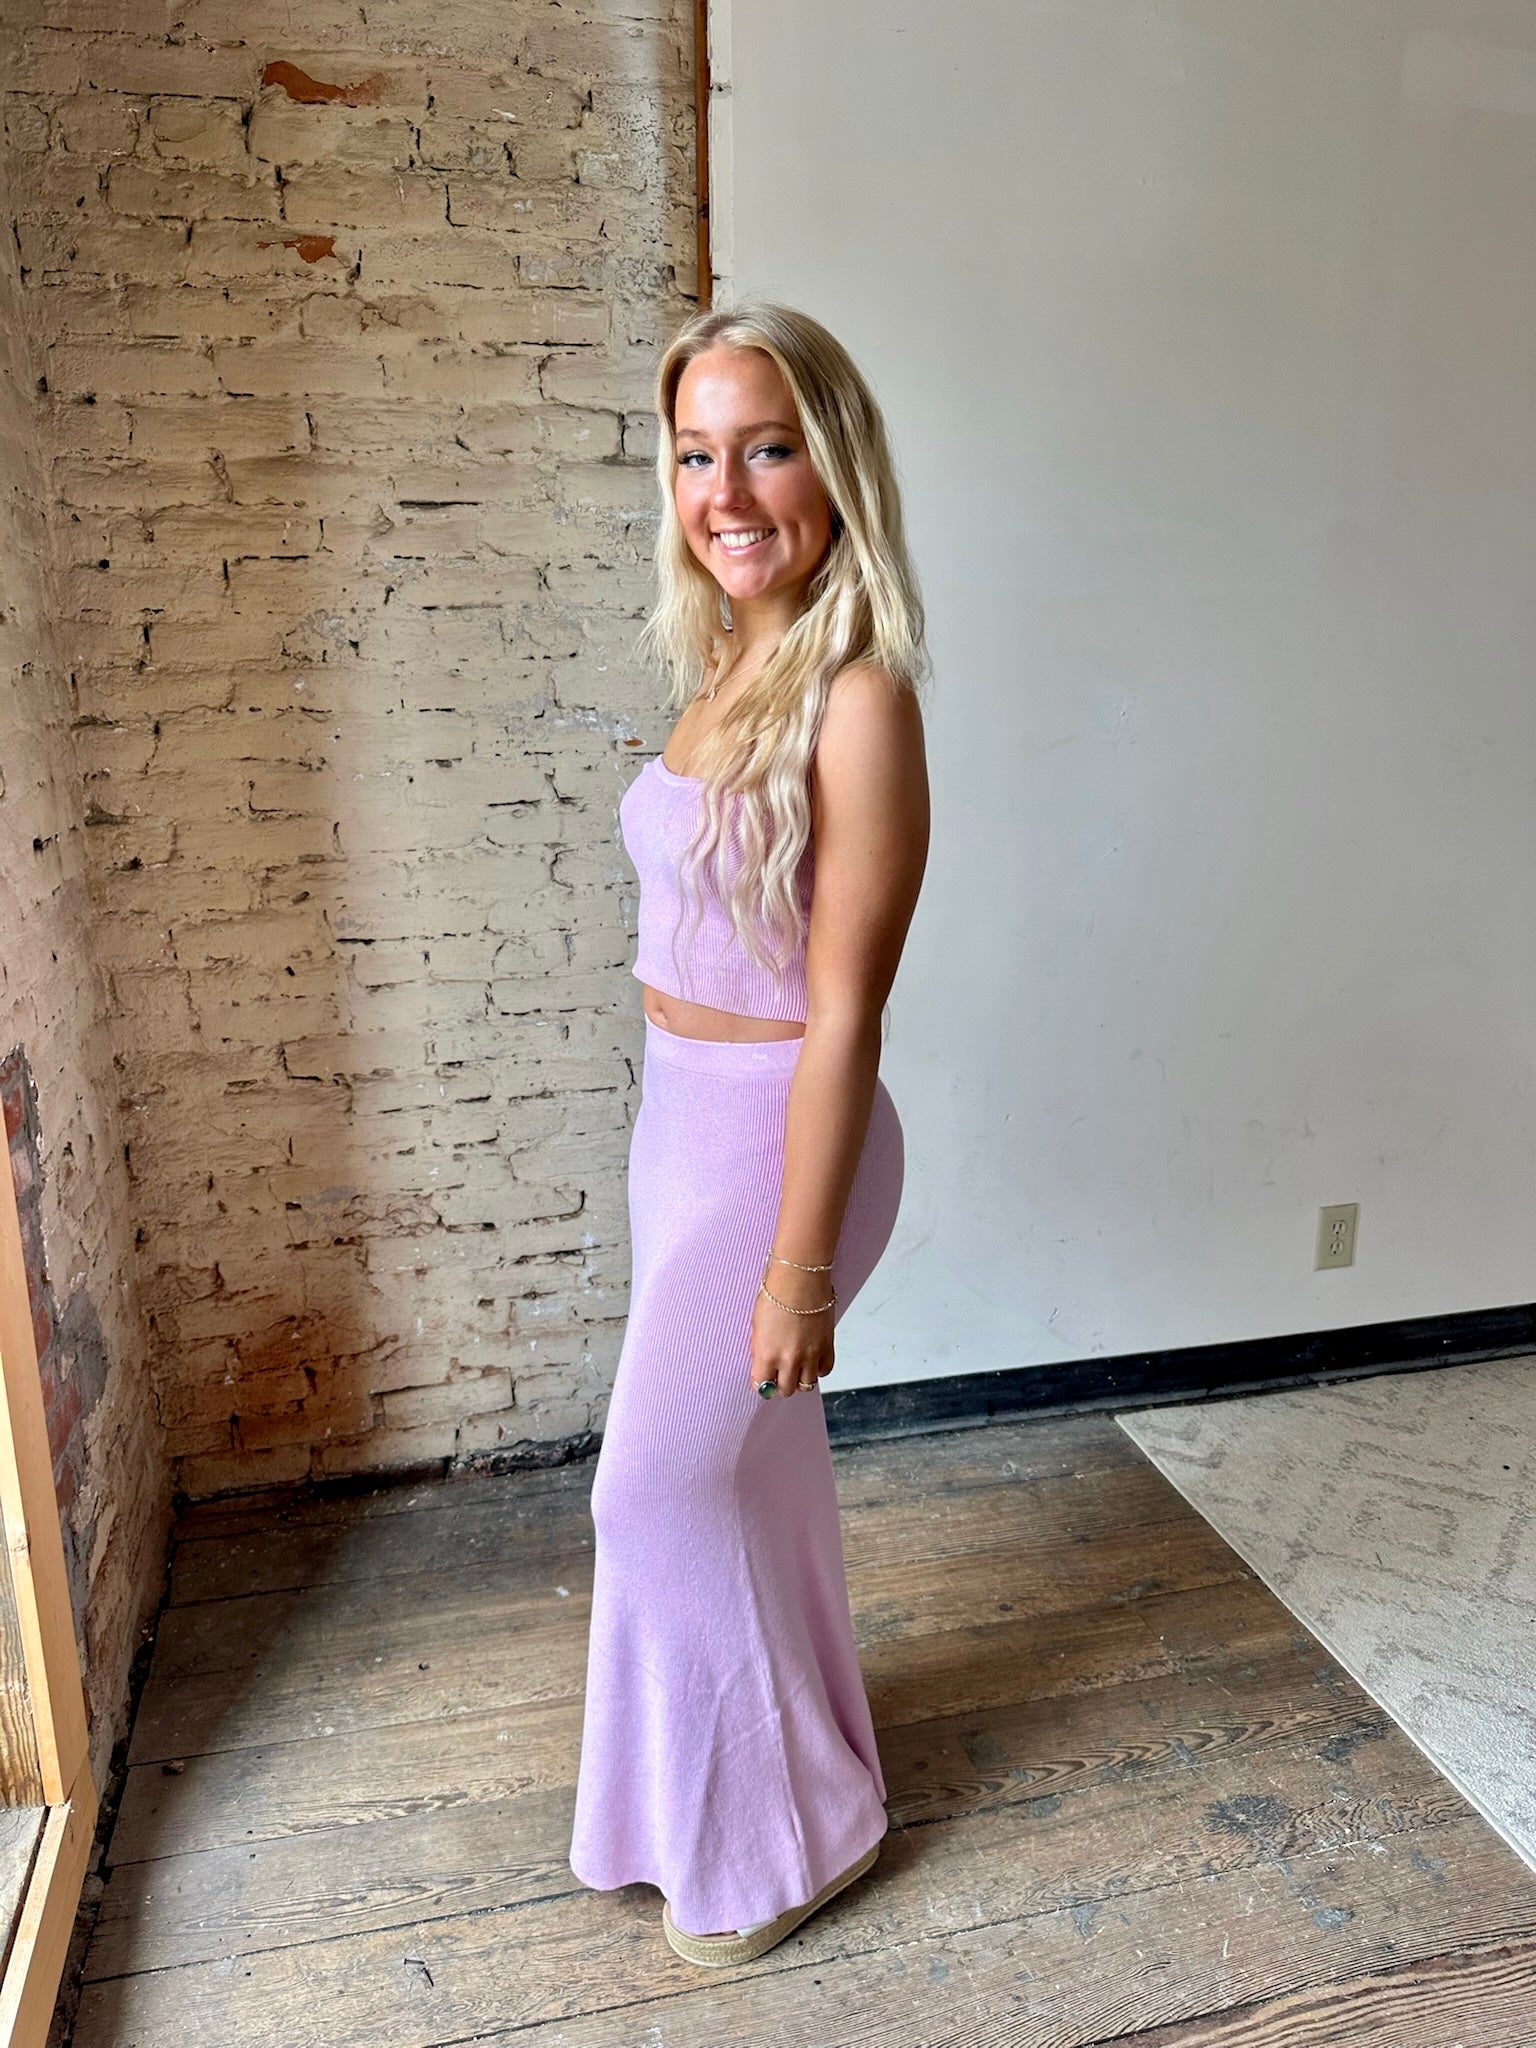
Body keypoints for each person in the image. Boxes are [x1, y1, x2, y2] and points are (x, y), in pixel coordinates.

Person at [568, 298, 930, 1967]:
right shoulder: (730, 664)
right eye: (696, 452)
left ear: (833, 464)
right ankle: (765, 1796)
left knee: (649, 1493)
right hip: (680, 1126)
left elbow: (846, 1014)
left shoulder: (857, 698)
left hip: (782, 1144)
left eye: (766, 448)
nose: (725, 491)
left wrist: (801, 1268)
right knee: (748, 1490)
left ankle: (783, 1850)